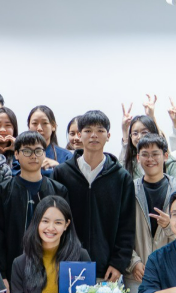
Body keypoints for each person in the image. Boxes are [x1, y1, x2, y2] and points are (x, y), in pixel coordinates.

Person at [48, 110, 137, 284]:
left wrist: (118, 263)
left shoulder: (121, 177)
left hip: (107, 270)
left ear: (108, 136)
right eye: (88, 130)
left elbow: (127, 226)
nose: (94, 135)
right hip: (66, 265)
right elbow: (53, 218)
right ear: (79, 135)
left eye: (100, 130)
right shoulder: (61, 173)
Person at [0, 131, 68, 277]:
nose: (33, 156)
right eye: (27, 151)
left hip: (51, 269)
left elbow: (66, 233)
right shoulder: (3, 191)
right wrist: (2, 274)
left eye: (38, 151)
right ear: (16, 154)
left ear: (44, 154)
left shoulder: (58, 190)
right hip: (13, 268)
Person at [126, 133, 176, 293]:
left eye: (155, 154)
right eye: (145, 154)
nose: (150, 159)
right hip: (136, 275)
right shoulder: (128, 190)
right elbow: (119, 232)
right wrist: (133, 262)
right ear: (138, 158)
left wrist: (169, 226)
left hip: (171, 276)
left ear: (165, 156)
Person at [9, 196, 90, 293]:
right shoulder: (20, 263)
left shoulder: (81, 256)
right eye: (45, 221)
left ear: (66, 225)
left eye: (58, 223)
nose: (51, 228)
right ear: (37, 222)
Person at [121, 113, 176, 181]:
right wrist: (124, 130)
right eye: (135, 133)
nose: (139, 137)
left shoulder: (168, 161)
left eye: (144, 132)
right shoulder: (129, 163)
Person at [26, 105, 73, 175]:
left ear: (53, 126)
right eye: (34, 123)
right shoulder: (21, 154)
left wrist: (58, 167)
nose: (39, 128)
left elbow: (72, 179)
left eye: (45, 123)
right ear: (29, 126)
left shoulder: (66, 156)